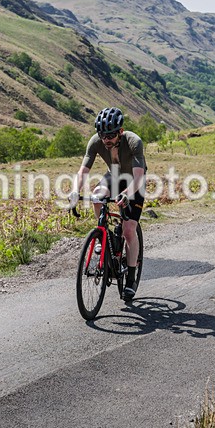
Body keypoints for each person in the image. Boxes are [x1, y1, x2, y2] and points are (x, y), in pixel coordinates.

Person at [69, 107, 146, 302]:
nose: (106, 139)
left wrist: (127, 195)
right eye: (103, 135)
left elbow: (138, 177)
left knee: (129, 230)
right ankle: (104, 236)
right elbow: (83, 170)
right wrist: (76, 191)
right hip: (113, 176)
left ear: (120, 131)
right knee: (97, 196)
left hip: (134, 182)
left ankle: (130, 278)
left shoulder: (133, 141)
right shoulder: (96, 141)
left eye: (110, 134)